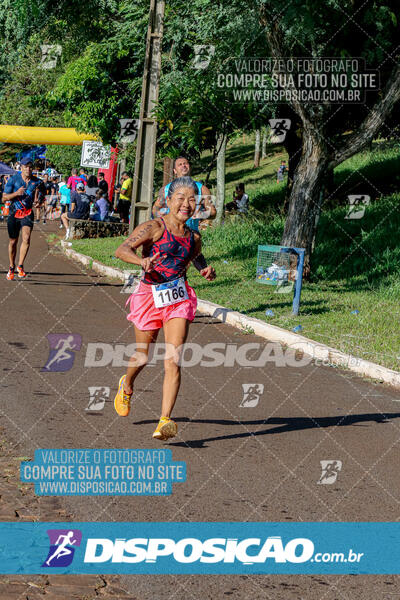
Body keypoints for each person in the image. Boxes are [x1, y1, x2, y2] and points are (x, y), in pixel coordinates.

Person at [113, 176, 216, 440]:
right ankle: (127, 385)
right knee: (142, 356)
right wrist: (140, 260)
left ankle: (165, 420)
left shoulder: (194, 237)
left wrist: (203, 269)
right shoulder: (154, 227)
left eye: (192, 199)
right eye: (180, 198)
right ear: (168, 201)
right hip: (149, 296)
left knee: (173, 360)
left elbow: (193, 255)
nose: (186, 204)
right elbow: (121, 249)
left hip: (178, 299)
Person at [152, 157, 216, 231]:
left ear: (190, 167)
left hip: (191, 234)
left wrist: (201, 214)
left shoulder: (201, 189)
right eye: (180, 164)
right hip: (170, 233)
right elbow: (155, 209)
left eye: (185, 163)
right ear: (175, 171)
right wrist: (161, 216)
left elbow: (213, 213)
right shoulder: (165, 190)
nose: (183, 166)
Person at [3, 157, 42, 280]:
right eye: (26, 166)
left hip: (27, 213)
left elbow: (43, 194)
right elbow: (4, 198)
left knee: (26, 238)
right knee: (13, 242)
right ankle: (11, 266)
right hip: (13, 214)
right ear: (21, 167)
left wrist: (39, 202)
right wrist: (16, 193)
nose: (28, 169)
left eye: (30, 167)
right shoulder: (13, 180)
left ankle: (20, 266)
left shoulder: (37, 181)